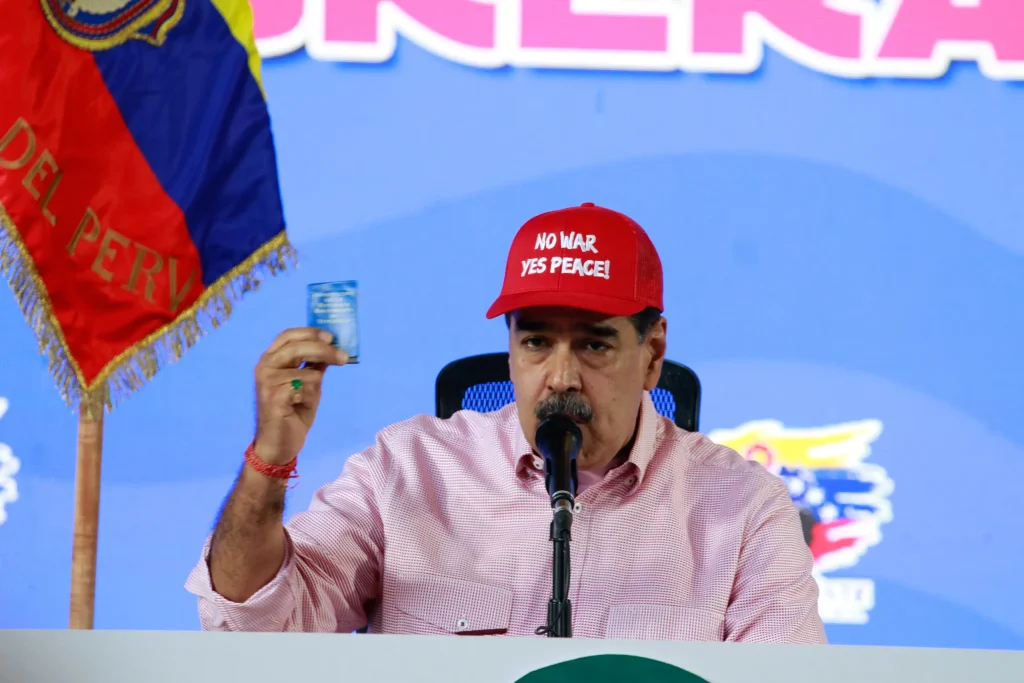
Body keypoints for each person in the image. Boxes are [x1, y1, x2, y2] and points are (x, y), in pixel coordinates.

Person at [186, 203, 827, 643]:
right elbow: (251, 625)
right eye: (537, 342)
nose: (561, 376)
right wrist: (269, 462)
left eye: (594, 345)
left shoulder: (743, 509)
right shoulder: (406, 472)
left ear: (652, 354)